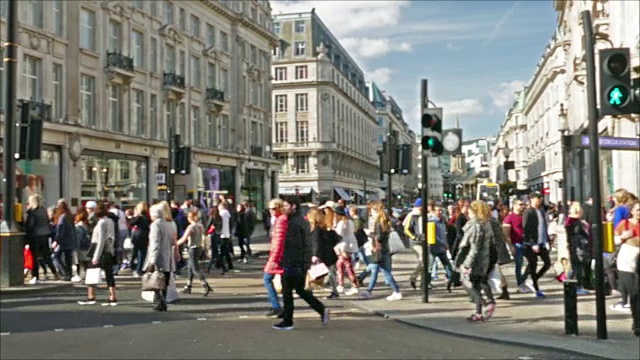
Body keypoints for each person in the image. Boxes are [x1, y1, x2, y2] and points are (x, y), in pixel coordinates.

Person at [272, 197, 329, 331]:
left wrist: (283, 260)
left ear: (294, 207)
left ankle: (288, 321)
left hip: (293, 262)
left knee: (287, 292)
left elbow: (294, 245)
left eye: (286, 206)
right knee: (300, 290)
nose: (283, 208)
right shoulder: (299, 221)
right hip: (298, 262)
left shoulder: (293, 224)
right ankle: (321, 309)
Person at [456, 201, 495, 322]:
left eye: (470, 210)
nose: (468, 212)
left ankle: (484, 305)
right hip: (484, 259)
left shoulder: (474, 225)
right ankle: (480, 311)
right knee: (477, 283)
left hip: (473, 260)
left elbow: (473, 247)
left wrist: (466, 264)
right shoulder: (487, 224)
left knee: (467, 283)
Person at [359, 201, 403, 301]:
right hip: (383, 249)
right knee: (376, 270)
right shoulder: (384, 220)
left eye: (372, 210)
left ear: (375, 210)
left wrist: (369, 233)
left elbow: (378, 237)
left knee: (385, 271)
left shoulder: (379, 222)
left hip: (379, 249)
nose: (370, 213)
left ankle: (396, 291)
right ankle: (369, 290)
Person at [78, 203, 117, 306]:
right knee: (109, 273)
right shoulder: (110, 221)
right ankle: (112, 295)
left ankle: (91, 295)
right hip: (109, 250)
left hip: (99, 249)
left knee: (91, 272)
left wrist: (96, 256)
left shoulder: (101, 224)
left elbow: (100, 241)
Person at [144, 203, 175, 312]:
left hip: (158, 256)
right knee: (164, 280)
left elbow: (155, 243)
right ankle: (163, 301)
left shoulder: (155, 225)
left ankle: (160, 301)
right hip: (167, 255)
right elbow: (172, 240)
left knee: (156, 280)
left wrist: (152, 260)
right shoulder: (168, 224)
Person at [522, 193, 552, 297]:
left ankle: (531, 280)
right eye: (538, 198)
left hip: (542, 242)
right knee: (533, 265)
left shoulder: (541, 211)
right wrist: (532, 243)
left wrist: (547, 240)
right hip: (531, 244)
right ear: (532, 199)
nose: (540, 200)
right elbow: (526, 228)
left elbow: (543, 227)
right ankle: (536, 288)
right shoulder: (528, 212)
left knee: (547, 263)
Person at [177, 210, 213, 296]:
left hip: (192, 248)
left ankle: (205, 284)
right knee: (190, 267)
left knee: (195, 269)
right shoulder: (200, 226)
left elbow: (184, 239)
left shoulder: (191, 227)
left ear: (190, 218)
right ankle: (188, 286)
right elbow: (204, 237)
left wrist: (174, 243)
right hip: (199, 248)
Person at [25, 194, 58, 283]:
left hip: (35, 236)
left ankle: (35, 276)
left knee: (34, 256)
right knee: (45, 255)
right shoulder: (44, 210)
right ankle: (55, 272)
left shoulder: (32, 211)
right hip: (45, 235)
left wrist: (26, 233)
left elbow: (30, 225)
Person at [263, 198, 286, 318]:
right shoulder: (278, 219)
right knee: (287, 283)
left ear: (280, 208)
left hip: (278, 256)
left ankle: (277, 306)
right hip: (279, 255)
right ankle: (279, 307)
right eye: (269, 209)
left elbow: (279, 241)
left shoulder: (281, 220)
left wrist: (274, 258)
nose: (271, 211)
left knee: (267, 278)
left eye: (273, 208)